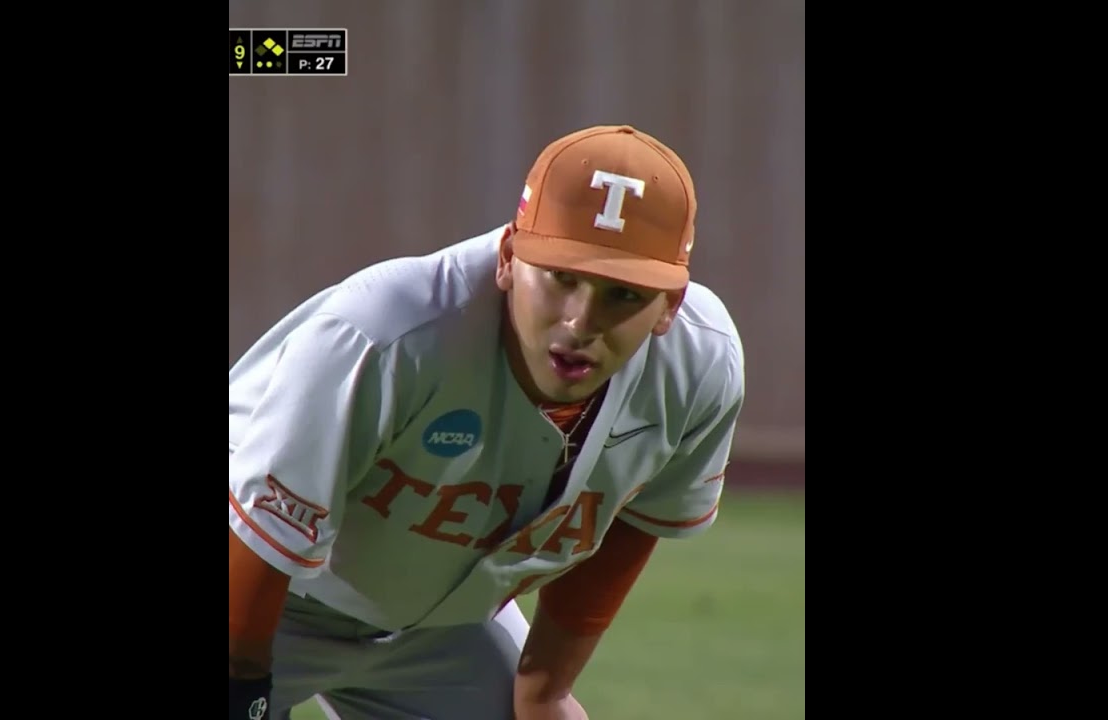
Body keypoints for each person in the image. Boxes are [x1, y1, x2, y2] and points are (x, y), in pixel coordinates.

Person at [229, 124, 746, 720]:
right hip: (263, 591)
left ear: (670, 306)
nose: (581, 321)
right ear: (508, 257)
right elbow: (260, 537)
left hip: (445, 625)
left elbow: (633, 518)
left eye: (624, 295)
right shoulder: (386, 332)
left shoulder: (699, 365)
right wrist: (244, 687)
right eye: (562, 276)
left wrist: (544, 690)